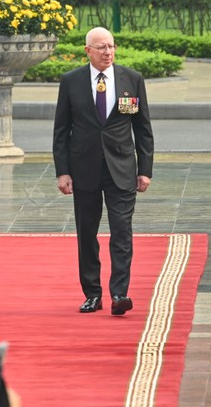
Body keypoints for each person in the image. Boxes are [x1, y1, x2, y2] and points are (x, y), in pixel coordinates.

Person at [52, 26, 154, 315]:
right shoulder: (71, 82)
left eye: (111, 46)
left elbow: (143, 129)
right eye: (101, 47)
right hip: (83, 169)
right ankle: (92, 293)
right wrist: (63, 171)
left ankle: (120, 293)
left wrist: (145, 169)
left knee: (122, 232)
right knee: (87, 233)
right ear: (88, 51)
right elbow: (61, 130)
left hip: (121, 169)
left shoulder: (131, 80)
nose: (108, 52)